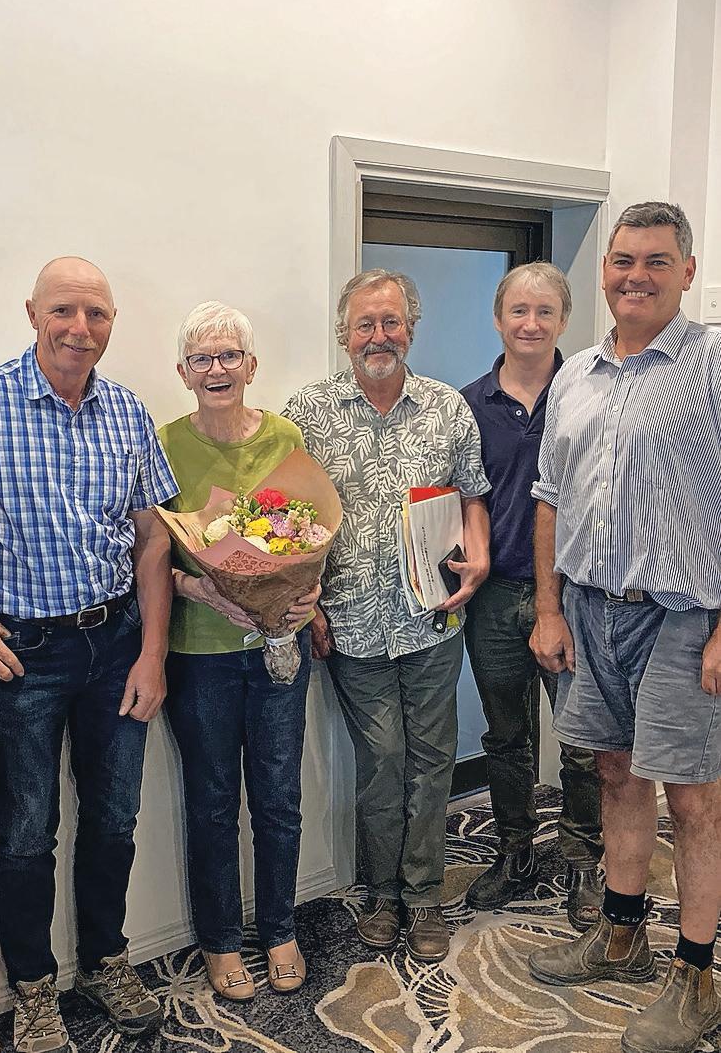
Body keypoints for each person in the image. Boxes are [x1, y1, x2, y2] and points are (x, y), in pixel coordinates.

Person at [0, 257, 177, 1047]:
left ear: (111, 323)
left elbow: (151, 540)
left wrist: (153, 654)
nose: (80, 328)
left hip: (117, 645)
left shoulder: (127, 412)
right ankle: (34, 988)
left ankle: (105, 960)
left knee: (114, 818)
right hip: (21, 655)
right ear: (32, 313)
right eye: (64, 310)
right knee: (27, 830)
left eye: (96, 314)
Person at [527, 202, 721, 1053]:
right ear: (603, 271)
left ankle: (697, 974)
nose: (635, 277)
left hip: (684, 616)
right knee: (613, 773)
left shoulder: (711, 365)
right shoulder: (576, 375)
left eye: (655, 261)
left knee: (695, 799)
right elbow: (549, 499)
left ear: (687, 271)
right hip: (590, 610)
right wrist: (548, 608)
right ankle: (620, 931)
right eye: (622, 261)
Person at [283, 269, 491, 963]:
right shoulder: (308, 413)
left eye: (392, 322)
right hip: (350, 623)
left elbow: (472, 494)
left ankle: (423, 893)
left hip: (432, 617)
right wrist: (308, 605)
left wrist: (480, 558)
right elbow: (289, 518)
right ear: (344, 335)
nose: (380, 336)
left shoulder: (446, 408)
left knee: (432, 761)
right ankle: (381, 892)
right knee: (381, 761)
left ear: (411, 329)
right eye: (366, 324)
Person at [159, 301, 320, 1000]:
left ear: (251, 366)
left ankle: (279, 927)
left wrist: (310, 591)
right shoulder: (164, 443)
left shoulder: (285, 435)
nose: (217, 369)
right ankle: (221, 940)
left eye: (229, 356)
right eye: (202, 358)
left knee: (280, 798)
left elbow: (305, 532)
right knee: (213, 802)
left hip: (279, 645)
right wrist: (200, 588)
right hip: (200, 654)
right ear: (184, 372)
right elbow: (150, 558)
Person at [461, 263, 603, 928]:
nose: (531, 323)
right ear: (498, 319)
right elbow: (460, 499)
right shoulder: (467, 405)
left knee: (582, 740)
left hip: (574, 596)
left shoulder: (589, 395)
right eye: (519, 310)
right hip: (493, 599)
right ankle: (515, 851)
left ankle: (585, 862)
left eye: (545, 312)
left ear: (563, 321)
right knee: (506, 735)